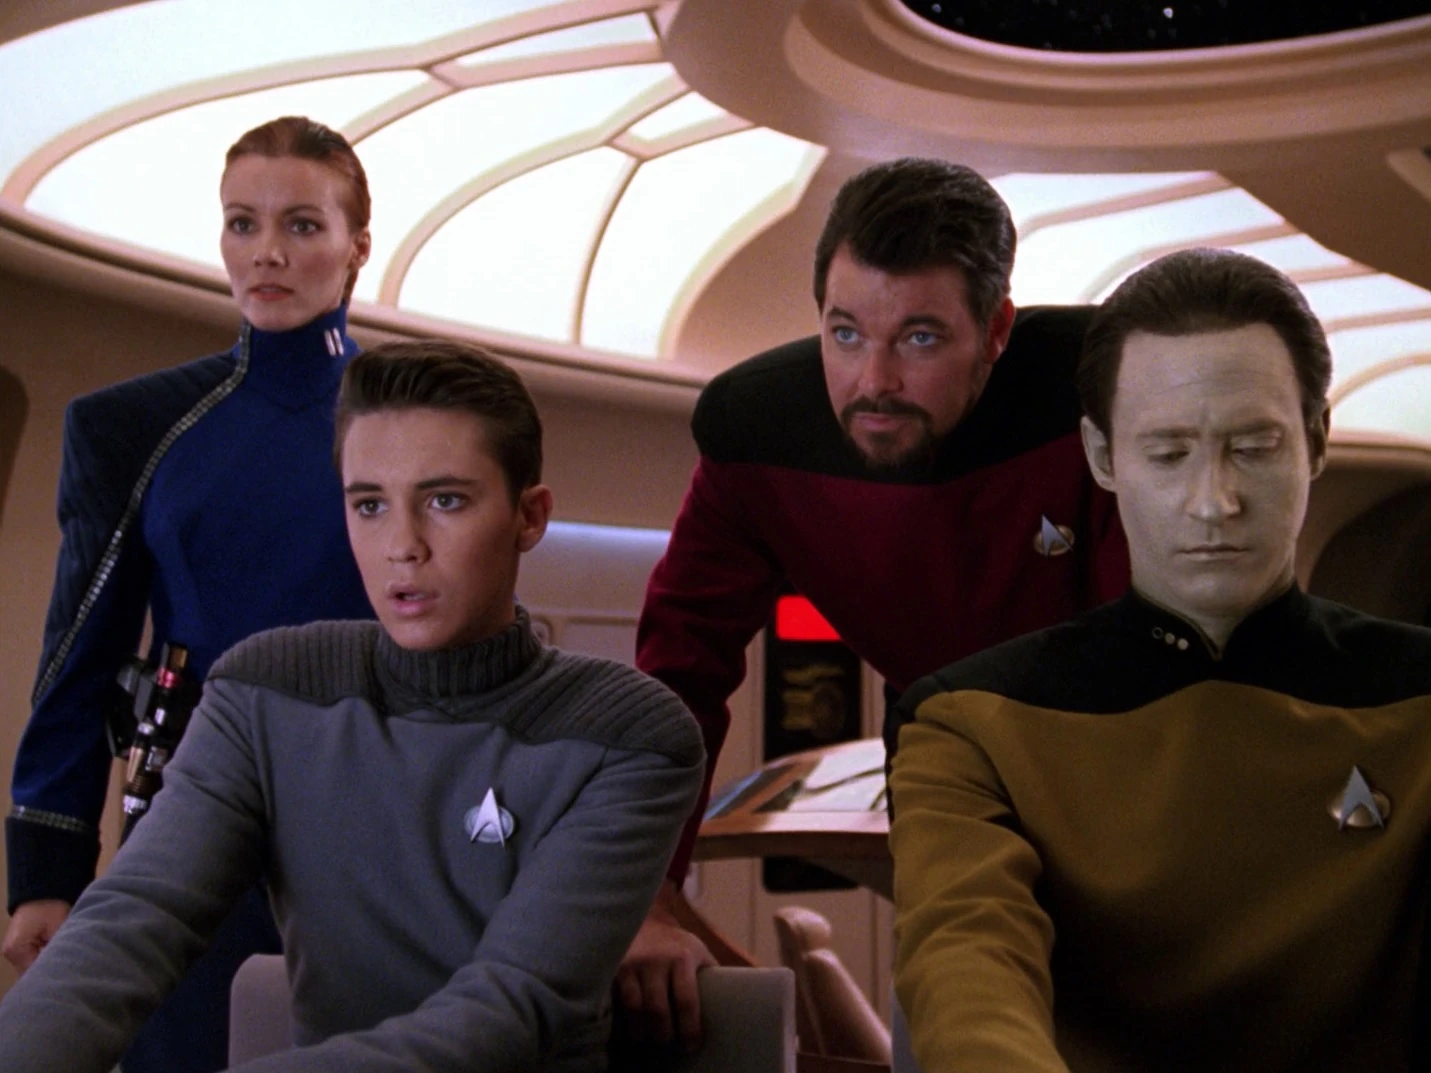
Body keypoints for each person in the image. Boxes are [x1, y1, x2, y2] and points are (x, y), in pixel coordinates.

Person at [0, 339, 705, 1073]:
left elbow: (506, 1015)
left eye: (445, 501)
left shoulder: (630, 733)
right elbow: (133, 920)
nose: (402, 545)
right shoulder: (264, 688)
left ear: (529, 516)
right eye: (369, 504)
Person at [623, 157, 1130, 1045]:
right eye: (845, 332)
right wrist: (646, 894)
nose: (873, 380)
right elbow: (677, 675)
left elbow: (1156, 653)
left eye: (920, 338)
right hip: (935, 760)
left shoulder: (1101, 393)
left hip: (1112, 760)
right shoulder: (752, 433)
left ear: (996, 330)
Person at [890, 247, 1431, 1073]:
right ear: (1102, 456)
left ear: (1314, 442)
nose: (1213, 500)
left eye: (1252, 446)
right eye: (1169, 453)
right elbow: (966, 972)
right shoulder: (967, 723)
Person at [4, 115, 376, 1072]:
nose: (265, 253)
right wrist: (45, 872)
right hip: (189, 820)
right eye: (242, 223)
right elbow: (79, 655)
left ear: (357, 247)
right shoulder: (136, 425)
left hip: (384, 817)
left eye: (301, 225)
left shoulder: (418, 410)